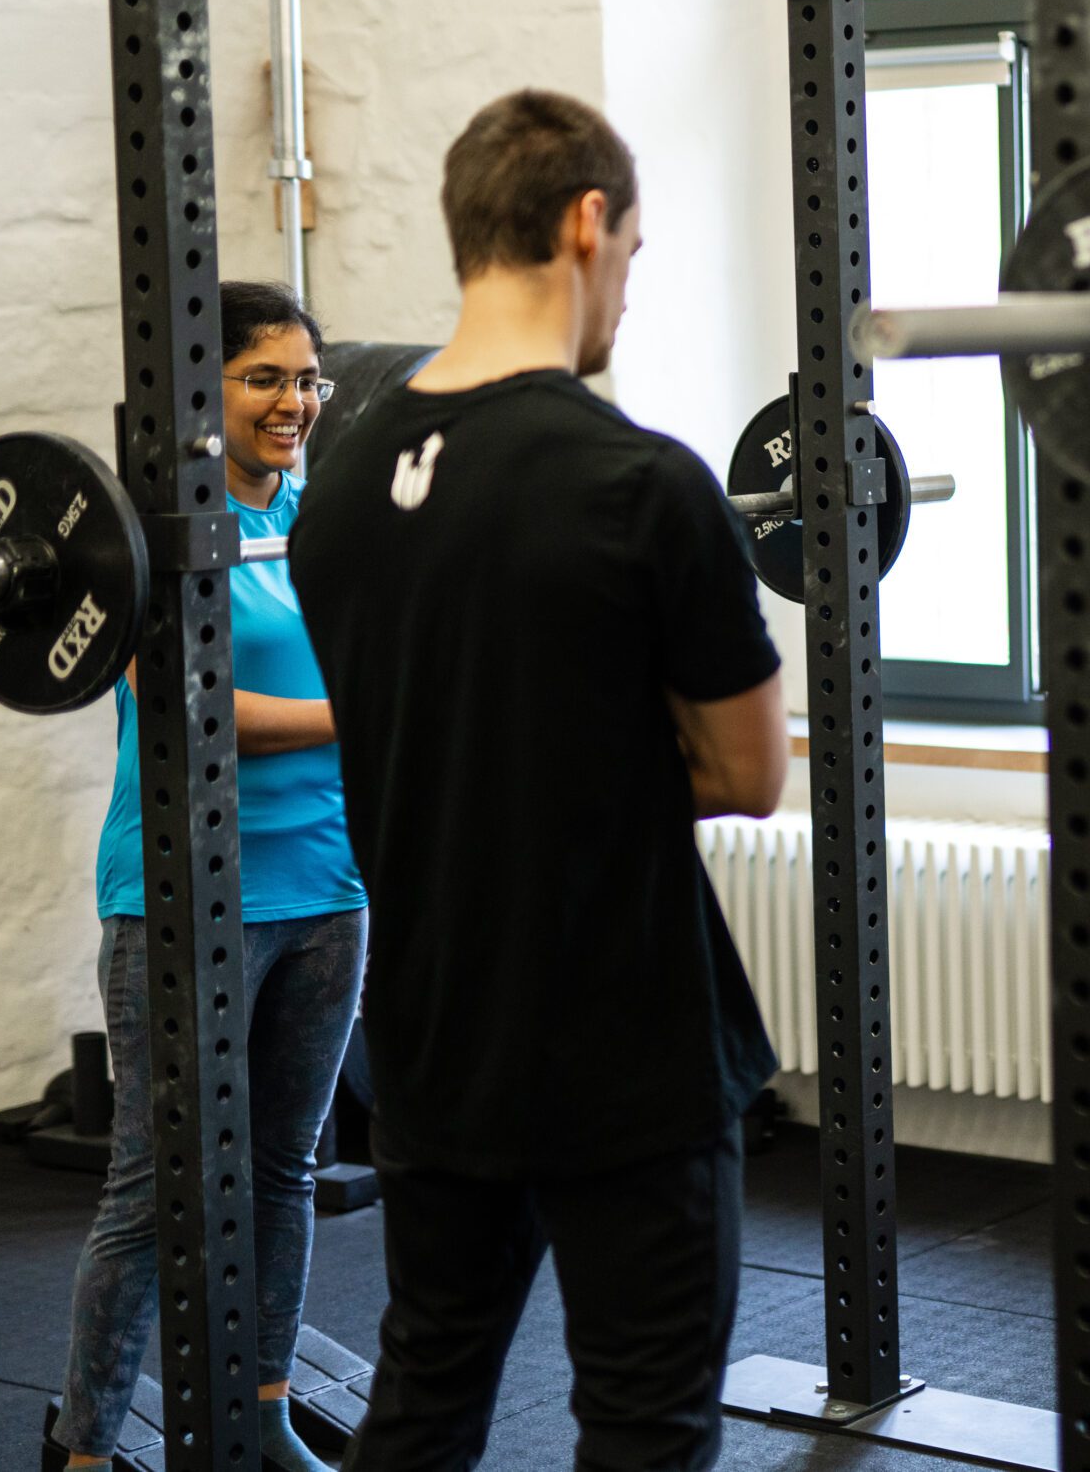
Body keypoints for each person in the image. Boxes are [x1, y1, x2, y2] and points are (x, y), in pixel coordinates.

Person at [288, 89, 786, 1472]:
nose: (626, 282)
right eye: (632, 249)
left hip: (435, 1041)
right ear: (586, 221)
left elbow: (419, 730)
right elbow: (748, 770)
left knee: (423, 1405)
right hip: (628, 1047)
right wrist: (590, 755)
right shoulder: (643, 482)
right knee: (642, 1425)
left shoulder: (338, 490)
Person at [51, 282, 367, 1472]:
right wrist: (363, 710)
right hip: (184, 894)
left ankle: (266, 1411)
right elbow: (195, 708)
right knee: (151, 1189)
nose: (295, 402)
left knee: (285, 1166)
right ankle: (86, 1450)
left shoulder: (310, 515)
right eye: (264, 379)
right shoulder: (143, 539)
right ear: (203, 388)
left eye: (307, 380)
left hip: (328, 884)